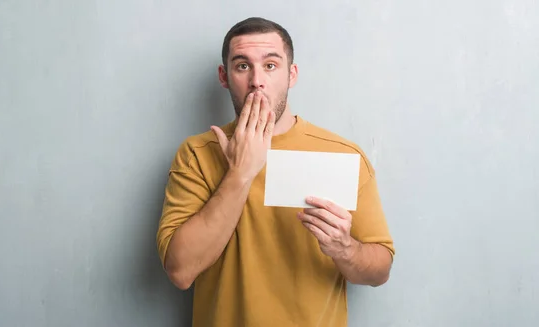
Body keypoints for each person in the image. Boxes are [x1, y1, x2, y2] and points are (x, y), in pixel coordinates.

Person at [156, 17, 395, 327]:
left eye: (270, 65)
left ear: (291, 74)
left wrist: (345, 249)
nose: (257, 80)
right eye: (242, 66)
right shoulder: (196, 155)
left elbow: (381, 270)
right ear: (224, 76)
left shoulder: (342, 155)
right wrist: (241, 173)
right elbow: (180, 271)